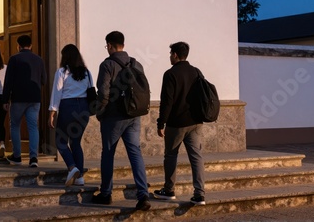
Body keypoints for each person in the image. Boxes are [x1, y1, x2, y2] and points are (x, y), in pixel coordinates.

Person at [91, 31, 151, 211]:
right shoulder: (136, 63)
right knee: (135, 154)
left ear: (109, 45)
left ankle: (106, 193)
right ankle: (143, 195)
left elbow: (103, 93)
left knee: (108, 153)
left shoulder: (107, 64)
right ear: (123, 44)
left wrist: (99, 112)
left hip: (113, 117)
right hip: (134, 115)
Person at [153, 41, 206, 205]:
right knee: (196, 157)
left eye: (170, 54)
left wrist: (161, 123)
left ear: (175, 55)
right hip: (196, 122)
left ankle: (169, 190)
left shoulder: (170, 74)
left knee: (170, 155)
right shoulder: (196, 72)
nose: (170, 57)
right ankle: (199, 194)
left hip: (176, 123)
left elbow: (167, 101)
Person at [48, 44, 91, 187]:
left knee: (60, 141)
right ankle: (80, 178)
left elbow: (57, 92)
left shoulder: (62, 72)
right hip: (84, 108)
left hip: (68, 106)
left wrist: (52, 112)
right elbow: (91, 90)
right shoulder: (86, 72)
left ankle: (72, 167)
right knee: (76, 142)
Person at [2, 35, 47, 167]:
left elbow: (8, 81)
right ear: (31, 46)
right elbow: (44, 80)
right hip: (34, 99)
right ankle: (33, 158)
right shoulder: (39, 60)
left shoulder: (14, 59)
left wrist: (5, 99)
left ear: (18, 46)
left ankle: (17, 156)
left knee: (15, 125)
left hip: (18, 98)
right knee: (33, 126)